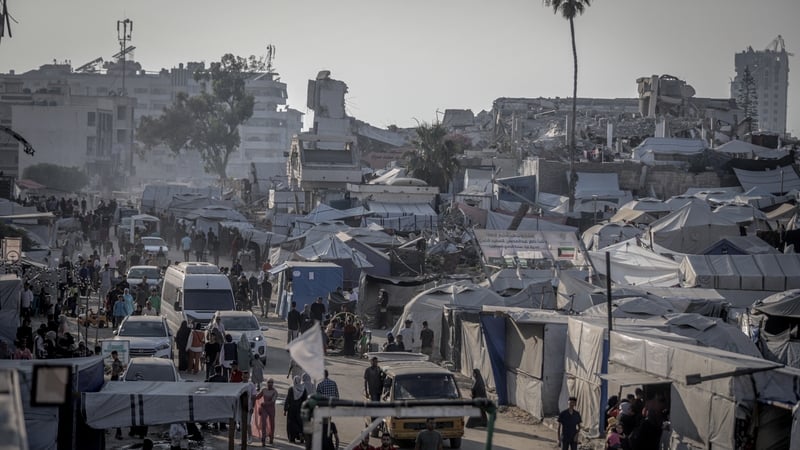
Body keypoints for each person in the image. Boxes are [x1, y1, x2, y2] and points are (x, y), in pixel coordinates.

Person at [252, 378, 278, 446]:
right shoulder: (264, 390)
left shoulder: (275, 392)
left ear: (273, 384)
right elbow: (258, 397)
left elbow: (272, 402)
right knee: (263, 423)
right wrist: (252, 395)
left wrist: (265, 403)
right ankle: (263, 439)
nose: (270, 384)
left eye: (271, 382)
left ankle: (271, 437)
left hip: (271, 409)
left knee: (272, 423)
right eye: (269, 382)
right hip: (264, 409)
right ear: (266, 383)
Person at [285, 375, 307, 444]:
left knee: (291, 423)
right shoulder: (303, 389)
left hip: (291, 409)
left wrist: (285, 409)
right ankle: (300, 434)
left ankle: (292, 439)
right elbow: (305, 400)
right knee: (299, 422)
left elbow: (288, 399)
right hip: (299, 408)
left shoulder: (291, 389)